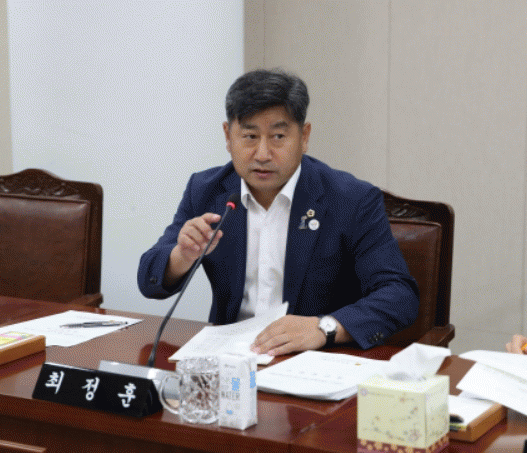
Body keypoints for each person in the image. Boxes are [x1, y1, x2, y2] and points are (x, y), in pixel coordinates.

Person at [138, 69, 419, 356]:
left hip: (317, 359)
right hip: (230, 359)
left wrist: (324, 327)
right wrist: (182, 256)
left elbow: (399, 295)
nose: (262, 154)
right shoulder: (207, 191)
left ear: (304, 137)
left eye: (278, 136)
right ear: (228, 136)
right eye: (250, 136)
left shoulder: (351, 199)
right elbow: (149, 280)